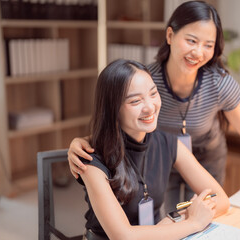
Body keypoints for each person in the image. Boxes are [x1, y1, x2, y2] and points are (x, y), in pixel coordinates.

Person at [68, 1, 240, 213]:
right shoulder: (147, 81)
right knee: (168, 214)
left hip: (207, 159)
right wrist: (84, 142)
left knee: (208, 212)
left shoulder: (219, 83)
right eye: (191, 40)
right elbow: (119, 121)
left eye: (208, 45)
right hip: (162, 157)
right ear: (170, 36)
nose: (198, 52)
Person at [76, 59, 229, 240]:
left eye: (153, 93)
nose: (150, 107)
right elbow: (123, 236)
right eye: (135, 101)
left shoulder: (167, 142)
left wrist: (173, 219)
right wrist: (193, 222)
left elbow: (221, 199)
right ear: (113, 109)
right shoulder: (91, 158)